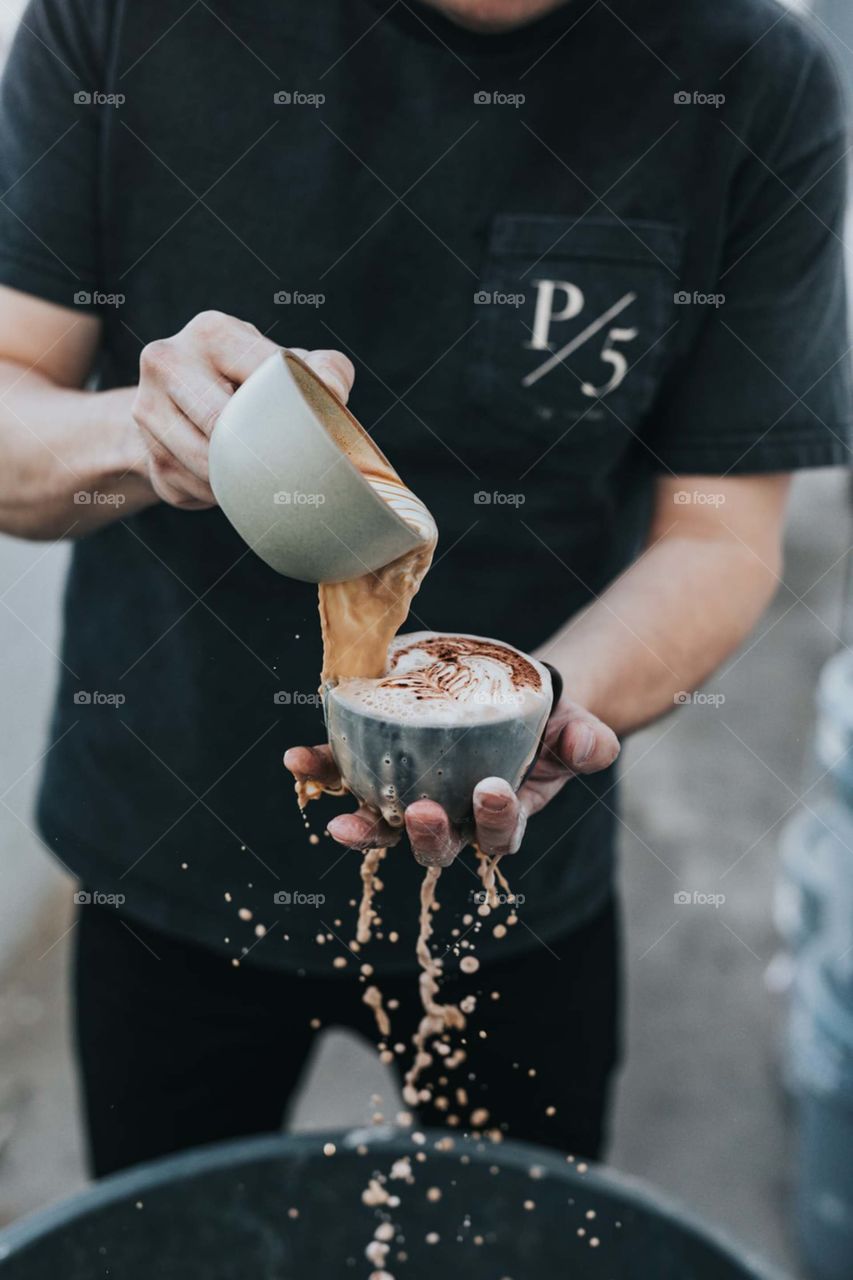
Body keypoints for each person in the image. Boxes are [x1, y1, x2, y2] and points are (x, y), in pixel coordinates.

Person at [0, 0, 848, 1177]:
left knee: (514, 1241)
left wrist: (545, 708)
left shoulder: (748, 74)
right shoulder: (120, 25)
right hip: (165, 835)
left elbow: (722, 535)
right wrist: (138, 435)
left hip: (514, 870)